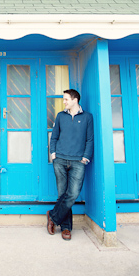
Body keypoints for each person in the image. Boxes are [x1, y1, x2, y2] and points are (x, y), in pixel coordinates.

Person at [47, 89, 94, 241]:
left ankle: (53, 217)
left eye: (66, 99)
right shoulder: (61, 116)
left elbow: (89, 140)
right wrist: (53, 154)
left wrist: (85, 158)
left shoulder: (87, 117)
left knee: (72, 194)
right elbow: (54, 137)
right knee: (62, 194)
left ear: (75, 100)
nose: (64, 102)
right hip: (60, 160)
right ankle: (66, 228)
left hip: (78, 161)